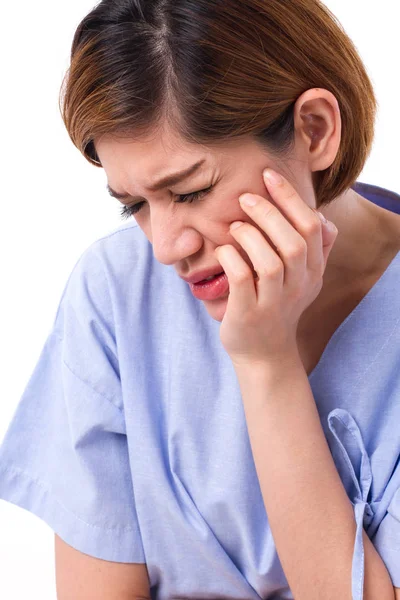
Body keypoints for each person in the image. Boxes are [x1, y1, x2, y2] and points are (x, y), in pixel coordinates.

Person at [0, 0, 399, 598]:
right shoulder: (117, 293)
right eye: (132, 205)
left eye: (189, 191)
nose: (166, 247)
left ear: (315, 130)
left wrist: (266, 366)